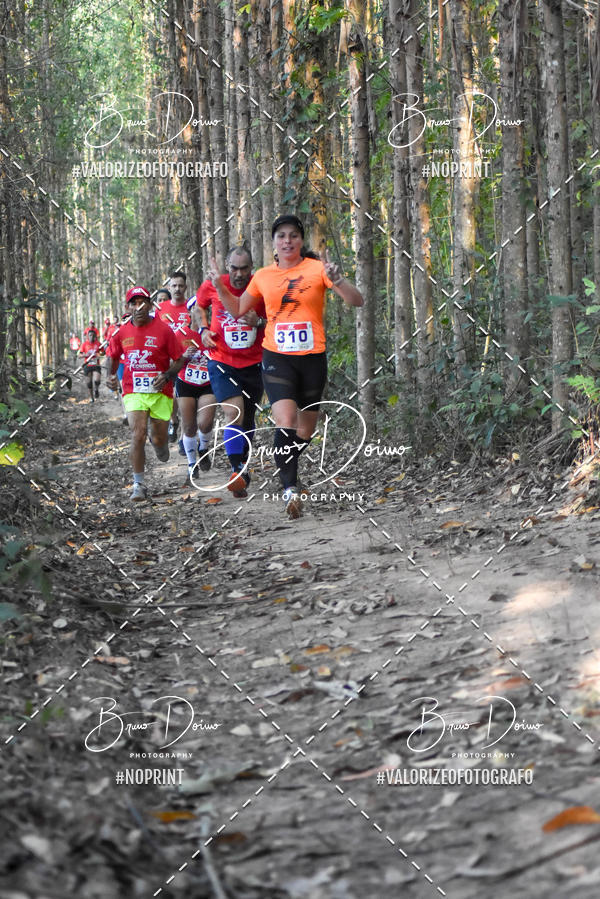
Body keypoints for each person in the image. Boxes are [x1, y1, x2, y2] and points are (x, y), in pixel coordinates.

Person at [208, 214, 363, 518]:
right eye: (281, 236)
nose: (288, 241)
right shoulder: (263, 276)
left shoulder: (318, 269)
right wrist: (219, 286)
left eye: (293, 235)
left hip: (312, 358)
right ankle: (290, 490)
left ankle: (286, 463)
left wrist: (339, 278)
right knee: (286, 421)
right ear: (274, 243)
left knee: (305, 430)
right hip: (276, 357)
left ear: (301, 240)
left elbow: (356, 301)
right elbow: (238, 310)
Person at [191, 246, 266, 498]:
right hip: (221, 360)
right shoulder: (213, 284)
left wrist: (259, 322)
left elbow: (276, 318)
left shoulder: (260, 286)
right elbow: (198, 307)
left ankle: (242, 465)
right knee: (233, 412)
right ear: (227, 267)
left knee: (248, 419)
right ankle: (236, 471)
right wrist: (203, 329)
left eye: (244, 268)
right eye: (234, 268)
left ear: (251, 268)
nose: (239, 274)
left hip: (254, 363)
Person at [106, 286, 187, 502]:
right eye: (134, 302)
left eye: (143, 302)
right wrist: (111, 375)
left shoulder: (164, 330)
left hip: (161, 391)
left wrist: (168, 375)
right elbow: (113, 356)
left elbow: (179, 359)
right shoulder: (121, 332)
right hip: (133, 390)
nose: (138, 307)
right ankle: (138, 484)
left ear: (150, 305)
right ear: (128, 307)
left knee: (158, 439)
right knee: (137, 434)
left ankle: (160, 444)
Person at [172, 323, 217, 482]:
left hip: (208, 383)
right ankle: (192, 464)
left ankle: (203, 449)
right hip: (185, 382)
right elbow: (171, 360)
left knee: (205, 423)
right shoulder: (180, 333)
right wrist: (184, 356)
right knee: (189, 426)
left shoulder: (215, 330)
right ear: (191, 314)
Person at [157, 274, 193, 453]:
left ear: (185, 288)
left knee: (183, 397)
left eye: (181, 286)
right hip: (166, 359)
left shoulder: (191, 307)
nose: (177, 289)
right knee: (170, 396)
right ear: (169, 288)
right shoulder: (160, 308)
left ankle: (182, 439)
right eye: (174, 286)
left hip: (188, 359)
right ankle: (174, 421)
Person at [79, 330, 103, 402]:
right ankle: (91, 398)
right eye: (90, 335)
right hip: (87, 365)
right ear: (87, 336)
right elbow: (79, 355)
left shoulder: (98, 344)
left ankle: (96, 389)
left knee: (97, 380)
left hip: (96, 365)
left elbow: (103, 352)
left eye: (93, 335)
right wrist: (85, 355)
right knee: (89, 383)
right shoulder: (84, 344)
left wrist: (99, 354)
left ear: (95, 336)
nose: (91, 337)